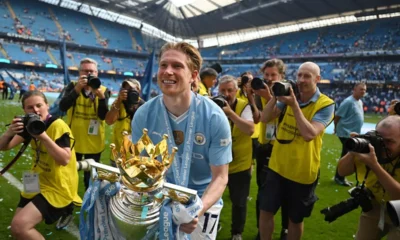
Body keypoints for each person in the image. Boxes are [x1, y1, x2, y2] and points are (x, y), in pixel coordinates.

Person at [131, 42, 232, 239]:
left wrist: (197, 209)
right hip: (160, 201)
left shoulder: (214, 116)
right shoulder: (143, 114)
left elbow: (220, 177)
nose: (168, 71)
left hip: (203, 201)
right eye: (163, 65)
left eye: (177, 66)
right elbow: (139, 168)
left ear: (193, 75)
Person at [259, 62, 335, 240]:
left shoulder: (326, 104)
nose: (301, 80)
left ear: (317, 79)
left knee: (295, 219)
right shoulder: (288, 97)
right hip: (277, 166)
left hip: (302, 171)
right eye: (299, 75)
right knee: (265, 211)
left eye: (307, 76)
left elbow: (309, 134)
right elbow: (265, 118)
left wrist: (294, 105)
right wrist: (275, 97)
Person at [0, 90, 82, 239]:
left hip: (58, 185)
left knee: (20, 226)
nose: (35, 110)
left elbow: (64, 160)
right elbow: (4, 146)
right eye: (30, 107)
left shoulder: (58, 125)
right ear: (24, 110)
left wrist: (43, 136)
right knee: (17, 228)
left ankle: (66, 208)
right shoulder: (29, 125)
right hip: (36, 178)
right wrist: (9, 133)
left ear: (47, 106)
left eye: (39, 105)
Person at [337, 115, 400, 239]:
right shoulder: (371, 148)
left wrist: (374, 165)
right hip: (376, 204)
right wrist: (353, 151)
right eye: (379, 138)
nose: (382, 145)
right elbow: (342, 171)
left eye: (389, 141)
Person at [252, 59, 289, 240]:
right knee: (263, 192)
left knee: (286, 192)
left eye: (273, 75)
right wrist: (252, 97)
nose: (268, 78)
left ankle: (285, 229)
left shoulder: (287, 92)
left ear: (281, 76)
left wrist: (269, 96)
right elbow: (259, 118)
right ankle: (263, 231)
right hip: (264, 146)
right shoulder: (260, 93)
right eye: (266, 75)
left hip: (281, 148)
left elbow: (279, 114)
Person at [59, 58, 110, 190]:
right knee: (69, 174)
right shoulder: (72, 86)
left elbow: (103, 116)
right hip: (73, 140)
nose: (89, 74)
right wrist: (77, 89)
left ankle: (90, 202)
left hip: (94, 142)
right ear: (79, 73)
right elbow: (63, 106)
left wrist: (102, 98)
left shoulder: (103, 90)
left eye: (92, 71)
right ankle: (68, 200)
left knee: (91, 179)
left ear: (97, 73)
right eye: (86, 71)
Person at [219, 75, 254, 240]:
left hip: (240, 163)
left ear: (237, 90)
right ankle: (212, 224)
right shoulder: (213, 104)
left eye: (230, 90)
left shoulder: (244, 106)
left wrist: (230, 113)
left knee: (239, 203)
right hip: (218, 162)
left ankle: (236, 233)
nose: (226, 94)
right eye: (223, 90)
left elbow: (250, 130)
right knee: (211, 198)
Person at [105, 78, 145, 166]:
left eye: (131, 89)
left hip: (135, 155)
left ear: (138, 90)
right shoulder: (119, 103)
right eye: (125, 89)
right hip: (118, 153)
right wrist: (119, 102)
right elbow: (109, 121)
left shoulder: (144, 106)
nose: (127, 92)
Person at [334, 82, 367, 186]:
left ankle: (340, 177)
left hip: (352, 133)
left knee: (347, 155)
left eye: (365, 90)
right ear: (355, 89)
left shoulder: (359, 102)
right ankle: (339, 177)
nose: (363, 91)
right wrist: (336, 128)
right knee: (347, 155)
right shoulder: (348, 102)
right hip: (345, 133)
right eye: (361, 89)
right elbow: (337, 116)